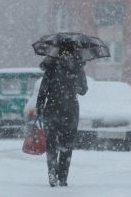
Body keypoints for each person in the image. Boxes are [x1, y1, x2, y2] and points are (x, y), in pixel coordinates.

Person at [35, 45, 88, 187]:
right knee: (67, 145)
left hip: (52, 110)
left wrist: (39, 110)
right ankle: (63, 177)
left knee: (51, 144)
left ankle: (52, 172)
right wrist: (75, 84)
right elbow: (83, 90)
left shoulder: (51, 68)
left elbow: (42, 92)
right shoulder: (77, 68)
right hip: (70, 111)